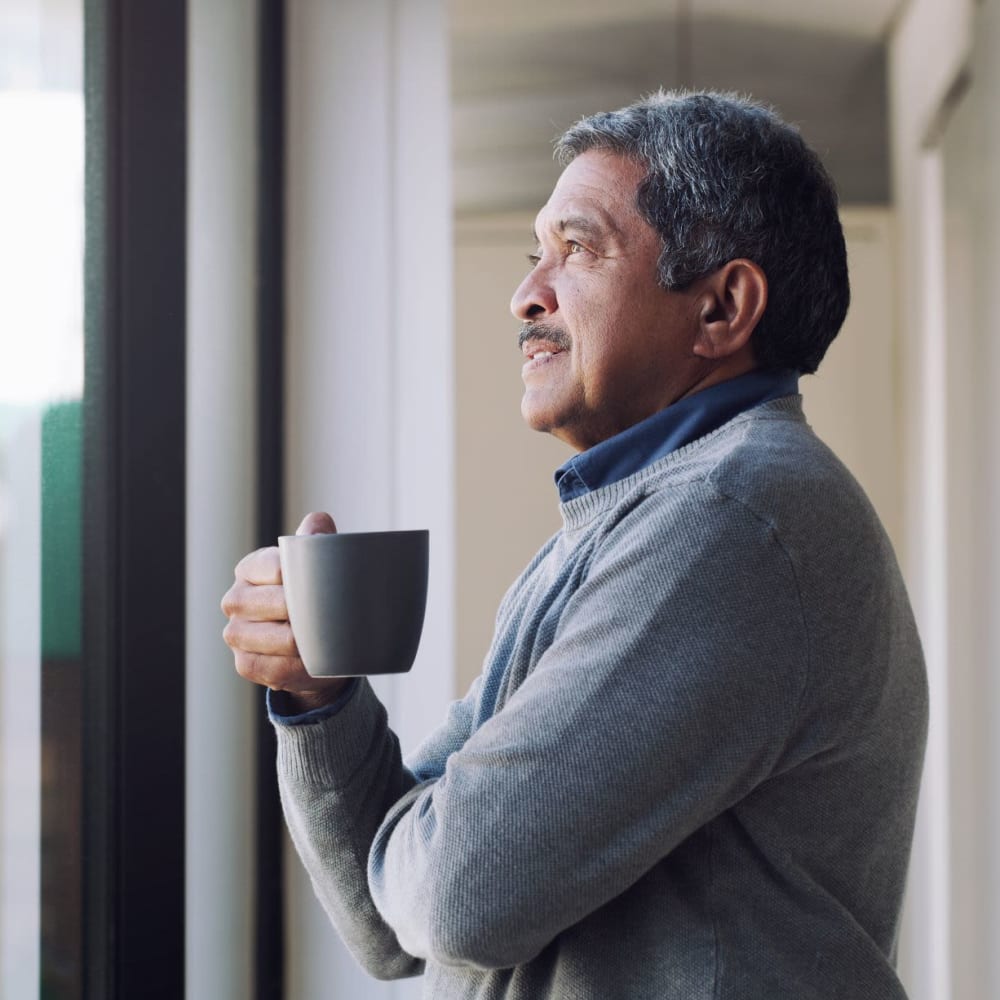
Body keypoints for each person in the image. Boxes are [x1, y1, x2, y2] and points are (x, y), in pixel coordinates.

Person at [222, 90, 927, 999]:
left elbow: (456, 903)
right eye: (534, 255)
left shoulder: (732, 518)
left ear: (723, 307)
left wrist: (429, 845)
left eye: (579, 249)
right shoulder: (623, 521)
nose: (526, 294)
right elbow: (387, 927)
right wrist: (316, 700)